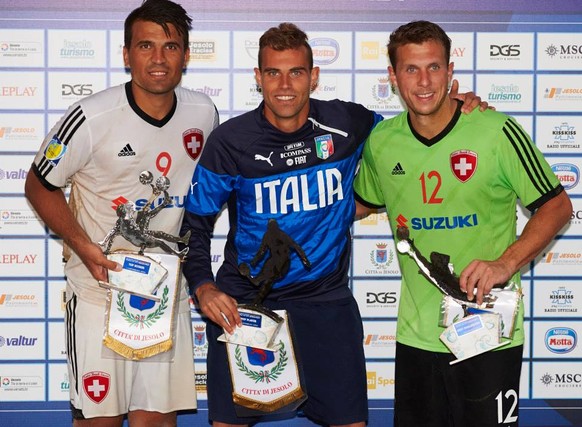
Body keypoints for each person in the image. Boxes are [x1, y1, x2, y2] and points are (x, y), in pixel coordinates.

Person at [181, 22, 486, 427]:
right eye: (273, 72)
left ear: (314, 76)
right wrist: (203, 286)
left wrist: (458, 107)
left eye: (297, 72)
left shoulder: (349, 123)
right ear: (258, 78)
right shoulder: (231, 141)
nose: (285, 84)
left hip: (325, 304)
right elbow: (194, 226)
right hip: (246, 306)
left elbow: (410, 132)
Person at [354, 20, 572, 427]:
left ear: (450, 72)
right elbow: (360, 204)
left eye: (434, 67)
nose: (423, 81)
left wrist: (504, 264)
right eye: (411, 69)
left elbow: (557, 207)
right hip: (417, 337)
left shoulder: (495, 131)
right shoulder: (382, 142)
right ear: (392, 76)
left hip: (490, 334)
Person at [24, 0, 219, 425]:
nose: (158, 58)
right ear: (126, 53)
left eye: (171, 47)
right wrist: (82, 245)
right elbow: (39, 185)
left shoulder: (204, 113)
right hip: (99, 293)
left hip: (164, 294)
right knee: (100, 421)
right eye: (145, 46)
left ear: (186, 55)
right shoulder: (91, 117)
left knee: (157, 421)